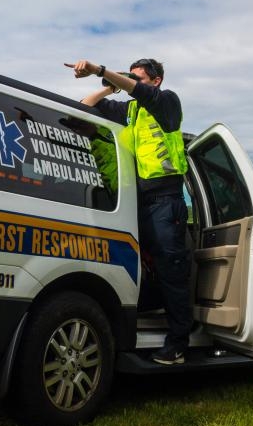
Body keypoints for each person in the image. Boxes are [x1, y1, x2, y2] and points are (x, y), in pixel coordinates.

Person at [64, 58, 192, 365]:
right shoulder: (129, 112)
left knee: (170, 274)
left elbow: (142, 93)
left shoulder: (167, 103)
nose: (130, 83)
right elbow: (84, 107)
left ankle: (177, 344)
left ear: (156, 81)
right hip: (136, 204)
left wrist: (99, 71)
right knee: (140, 269)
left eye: (137, 78)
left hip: (165, 201)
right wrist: (107, 87)